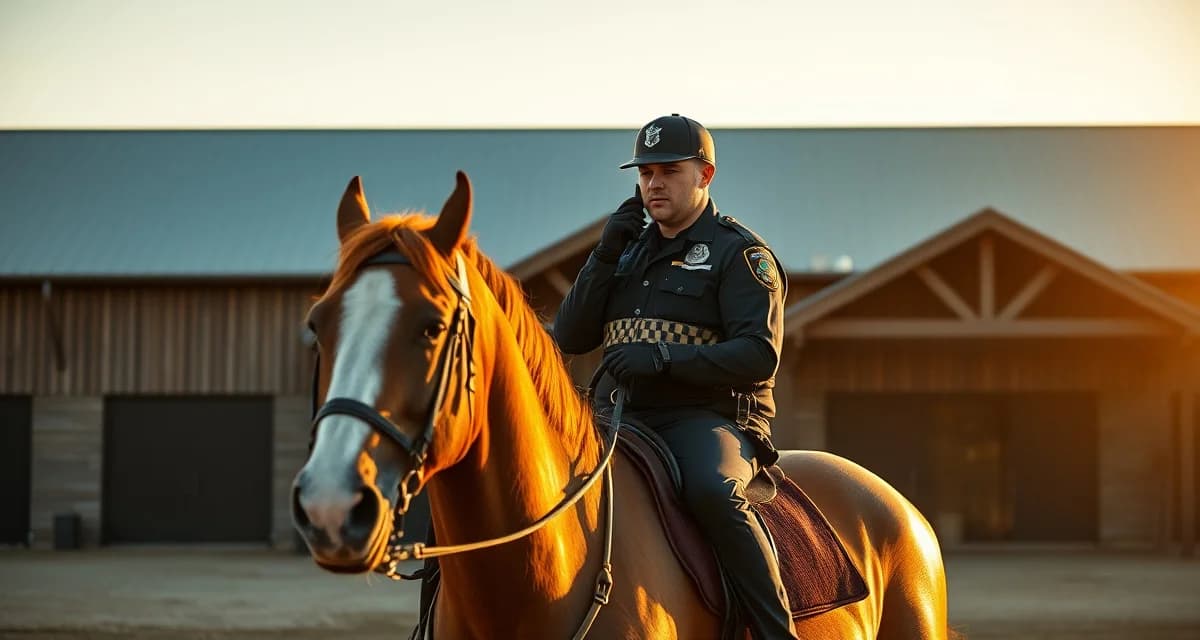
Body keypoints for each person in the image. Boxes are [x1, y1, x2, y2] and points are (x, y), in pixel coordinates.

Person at [553, 114, 795, 639]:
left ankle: (778, 633)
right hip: (618, 417)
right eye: (645, 173)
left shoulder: (740, 253)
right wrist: (603, 254)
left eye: (669, 171)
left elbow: (759, 354)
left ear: (704, 176)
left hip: (707, 419)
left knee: (713, 492)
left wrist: (665, 358)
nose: (653, 183)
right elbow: (569, 338)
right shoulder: (626, 251)